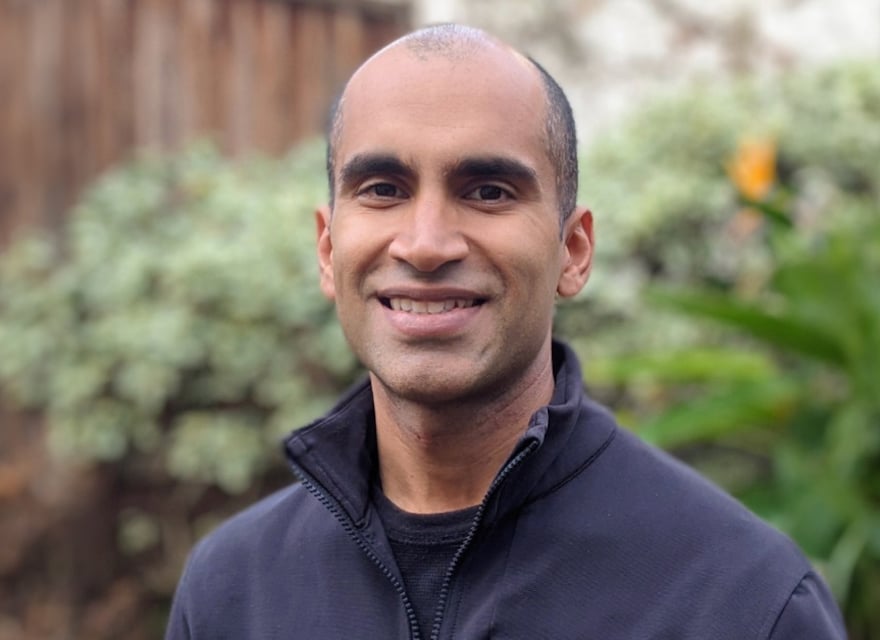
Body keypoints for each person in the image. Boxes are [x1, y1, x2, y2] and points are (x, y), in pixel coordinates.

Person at [165, 24, 846, 639]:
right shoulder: (234, 591)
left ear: (573, 252)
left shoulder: (742, 601)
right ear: (326, 248)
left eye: (487, 190)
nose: (426, 244)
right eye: (382, 188)